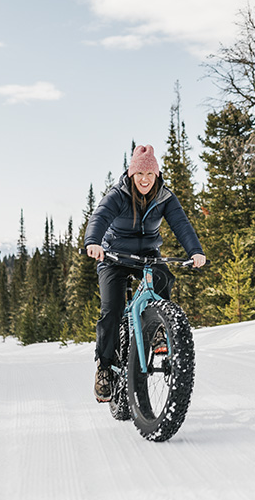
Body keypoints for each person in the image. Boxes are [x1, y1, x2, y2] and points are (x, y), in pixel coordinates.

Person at [84, 144, 206, 402]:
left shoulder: (165, 198)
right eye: (140, 174)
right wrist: (93, 242)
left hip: (147, 255)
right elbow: (100, 216)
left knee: (163, 277)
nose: (144, 180)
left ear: (157, 176)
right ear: (131, 175)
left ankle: (160, 327)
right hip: (114, 256)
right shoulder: (118, 194)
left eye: (150, 175)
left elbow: (181, 224)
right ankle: (104, 367)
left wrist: (195, 250)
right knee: (112, 309)